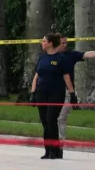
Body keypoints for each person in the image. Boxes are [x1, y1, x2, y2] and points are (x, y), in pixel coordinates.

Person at [30, 32, 76, 160]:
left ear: (50, 43)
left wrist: (72, 94)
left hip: (56, 93)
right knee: (45, 122)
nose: (42, 43)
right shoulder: (42, 58)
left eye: (44, 41)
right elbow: (36, 76)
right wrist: (33, 93)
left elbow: (66, 78)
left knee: (51, 120)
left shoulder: (61, 59)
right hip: (41, 93)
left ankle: (55, 151)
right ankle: (47, 150)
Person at [56, 35, 95, 142]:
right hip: (50, 90)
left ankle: (59, 142)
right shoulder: (48, 56)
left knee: (61, 117)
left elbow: (88, 54)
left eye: (66, 42)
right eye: (63, 43)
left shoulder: (70, 55)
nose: (65, 45)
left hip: (65, 91)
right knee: (49, 118)